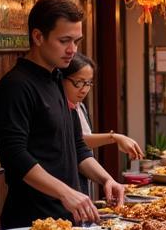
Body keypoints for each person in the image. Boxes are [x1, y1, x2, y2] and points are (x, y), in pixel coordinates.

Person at [0, 0, 125, 228]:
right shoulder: (15, 85)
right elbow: (14, 156)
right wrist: (65, 192)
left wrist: (106, 179)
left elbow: (77, 146)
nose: (72, 50)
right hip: (32, 222)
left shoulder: (56, 79)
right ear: (38, 37)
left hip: (68, 220)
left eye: (76, 41)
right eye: (64, 41)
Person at [61, 53, 143, 193]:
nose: (84, 89)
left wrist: (107, 180)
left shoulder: (78, 106)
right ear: (61, 78)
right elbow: (80, 141)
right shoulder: (61, 108)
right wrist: (114, 137)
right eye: (79, 82)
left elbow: (80, 147)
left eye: (88, 83)